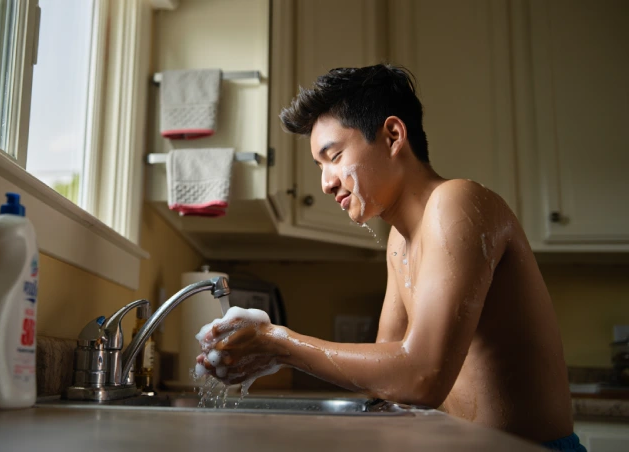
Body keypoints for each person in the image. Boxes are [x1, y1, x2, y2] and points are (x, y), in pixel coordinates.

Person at [197, 65, 584, 451]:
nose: (326, 182)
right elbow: (388, 384)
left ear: (393, 136)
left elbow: (419, 377)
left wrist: (279, 344)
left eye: (334, 156)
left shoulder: (458, 201)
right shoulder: (399, 243)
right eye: (320, 166)